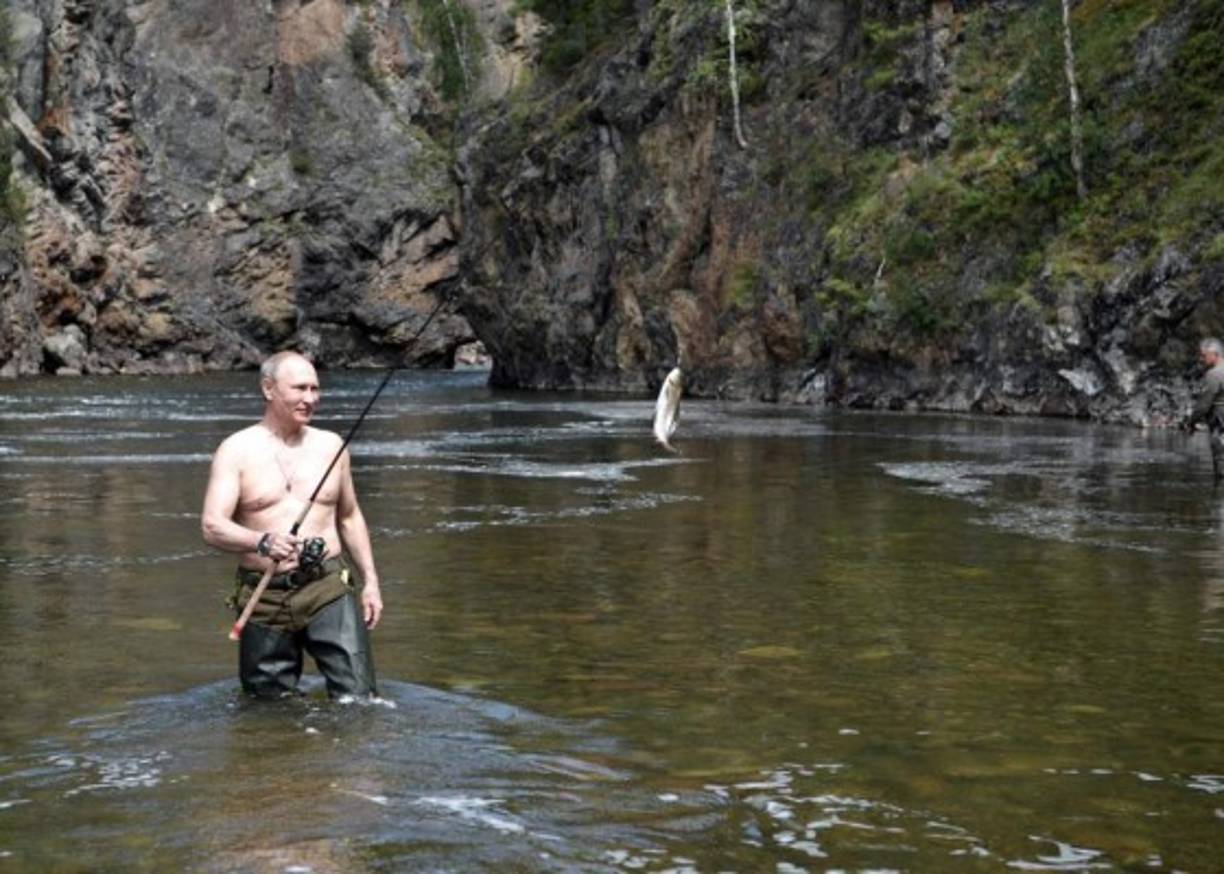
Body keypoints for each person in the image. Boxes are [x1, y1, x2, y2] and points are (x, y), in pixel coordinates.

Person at [201, 351, 383, 698]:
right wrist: (261, 542)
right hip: (262, 595)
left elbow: (349, 516)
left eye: (315, 389)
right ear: (269, 389)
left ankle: (357, 753)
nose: (311, 398)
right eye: (300, 388)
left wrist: (371, 582)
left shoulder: (332, 446)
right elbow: (212, 526)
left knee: (359, 699)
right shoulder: (236, 450)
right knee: (267, 709)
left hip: (327, 585)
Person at [1185, 337, 1224, 484]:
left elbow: (1203, 405)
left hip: (1221, 430)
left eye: (1203, 355)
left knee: (1221, 474)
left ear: (1215, 354)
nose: (1201, 359)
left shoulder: (1214, 375)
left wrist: (1191, 422)